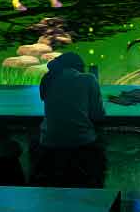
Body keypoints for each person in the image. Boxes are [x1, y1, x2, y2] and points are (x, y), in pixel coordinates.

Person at [30, 52, 107, 188]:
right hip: (82, 141)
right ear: (78, 66)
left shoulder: (49, 79)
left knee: (35, 137)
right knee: (102, 139)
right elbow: (98, 116)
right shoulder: (88, 79)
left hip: (49, 142)